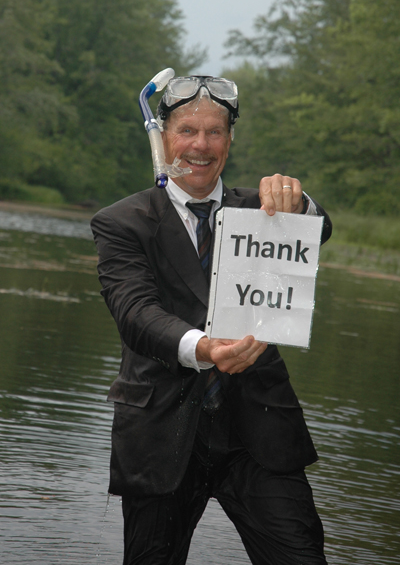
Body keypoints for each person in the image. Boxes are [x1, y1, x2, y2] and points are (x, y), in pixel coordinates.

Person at [91, 74, 332, 565]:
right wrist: (203, 348)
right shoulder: (121, 223)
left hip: (259, 434)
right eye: (187, 130)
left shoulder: (261, 211)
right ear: (162, 137)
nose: (201, 145)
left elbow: (320, 227)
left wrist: (298, 199)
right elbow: (136, 314)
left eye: (215, 132)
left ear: (230, 140)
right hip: (160, 432)